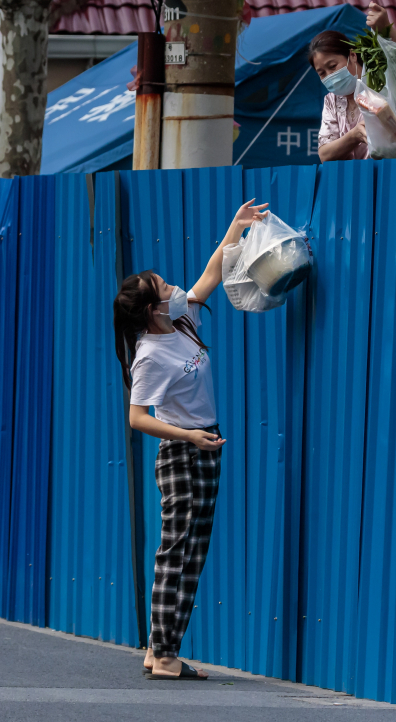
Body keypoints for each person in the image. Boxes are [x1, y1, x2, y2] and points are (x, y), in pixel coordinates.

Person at [112, 198, 268, 681]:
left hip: (204, 444)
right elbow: (138, 417)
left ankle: (160, 648)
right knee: (176, 548)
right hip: (182, 451)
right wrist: (188, 436)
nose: (175, 288)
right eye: (164, 288)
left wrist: (235, 228)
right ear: (151, 311)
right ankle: (163, 656)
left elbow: (210, 274)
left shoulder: (182, 321)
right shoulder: (149, 355)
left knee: (193, 549)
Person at [309, 1, 396, 162]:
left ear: (352, 56)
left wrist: (387, 31)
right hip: (359, 182)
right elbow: (325, 154)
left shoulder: (384, 80)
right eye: (322, 73)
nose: (329, 75)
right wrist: (354, 135)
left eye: (332, 66)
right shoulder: (332, 101)